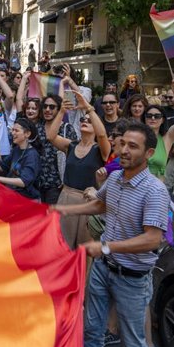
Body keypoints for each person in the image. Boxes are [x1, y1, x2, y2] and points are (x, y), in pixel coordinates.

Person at [53, 121, 169, 347]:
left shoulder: (155, 191)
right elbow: (101, 205)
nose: (124, 150)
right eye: (122, 144)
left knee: (135, 346)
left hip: (132, 279)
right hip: (103, 270)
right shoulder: (115, 177)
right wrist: (65, 209)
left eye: (133, 146)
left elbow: (152, 239)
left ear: (149, 153)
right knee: (92, 331)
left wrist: (105, 246)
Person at [48, 92, 111, 249]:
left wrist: (89, 109)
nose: (85, 121)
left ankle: (83, 274)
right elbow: (51, 136)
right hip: (66, 198)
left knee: (85, 248)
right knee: (62, 245)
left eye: (89, 121)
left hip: (88, 201)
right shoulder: (71, 145)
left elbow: (102, 134)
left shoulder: (100, 149)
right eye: (83, 119)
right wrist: (62, 111)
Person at [142, 77, 174, 181]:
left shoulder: (167, 138)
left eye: (157, 116)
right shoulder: (138, 137)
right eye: (149, 116)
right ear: (144, 119)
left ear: (163, 120)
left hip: (156, 189)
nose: (153, 118)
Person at [36, 94, 79, 204]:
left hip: (57, 184)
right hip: (37, 183)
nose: (47, 110)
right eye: (45, 106)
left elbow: (74, 156)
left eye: (52, 107)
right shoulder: (37, 127)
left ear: (59, 109)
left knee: (53, 218)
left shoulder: (67, 129)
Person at [0, 118, 42, 200]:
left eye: (16, 130)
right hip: (14, 197)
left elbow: (23, 182)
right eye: (12, 130)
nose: (12, 133)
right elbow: (2, 167)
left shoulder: (32, 155)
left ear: (27, 134)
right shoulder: (16, 150)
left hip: (28, 201)